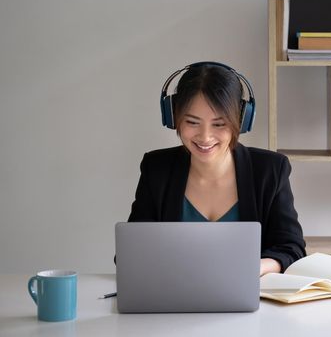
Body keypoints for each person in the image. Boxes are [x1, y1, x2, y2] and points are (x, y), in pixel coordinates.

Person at [128, 62, 306, 275]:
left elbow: (292, 249)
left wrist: (255, 268)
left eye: (219, 124)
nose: (205, 137)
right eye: (192, 122)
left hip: (252, 300)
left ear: (241, 120)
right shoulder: (156, 168)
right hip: (174, 300)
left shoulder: (271, 169)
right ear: (173, 117)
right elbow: (131, 253)